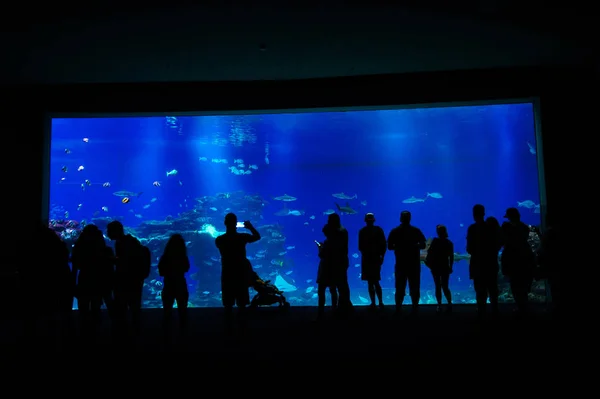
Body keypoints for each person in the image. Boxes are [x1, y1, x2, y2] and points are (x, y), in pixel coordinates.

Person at [215, 213, 261, 323]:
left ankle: (228, 330)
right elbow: (257, 236)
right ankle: (242, 330)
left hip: (227, 274)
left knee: (228, 306)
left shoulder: (219, 240)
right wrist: (250, 227)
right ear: (236, 224)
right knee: (242, 305)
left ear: (225, 223)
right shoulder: (242, 237)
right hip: (240, 274)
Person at [106, 220, 146, 337]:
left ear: (116, 231)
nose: (107, 233)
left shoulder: (127, 243)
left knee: (129, 308)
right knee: (129, 309)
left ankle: (130, 335)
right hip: (128, 281)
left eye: (109, 231)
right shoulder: (122, 242)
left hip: (129, 282)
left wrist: (110, 259)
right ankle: (129, 333)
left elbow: (126, 262)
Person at [387, 211, 427, 314]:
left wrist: (400, 247)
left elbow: (390, 246)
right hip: (413, 264)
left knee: (400, 287)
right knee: (414, 287)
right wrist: (414, 246)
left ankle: (398, 308)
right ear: (410, 219)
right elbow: (423, 245)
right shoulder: (416, 231)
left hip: (401, 264)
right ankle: (414, 308)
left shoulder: (395, 231)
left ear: (400, 218)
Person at [501, 207, 535, 316]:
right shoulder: (524, 227)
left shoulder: (507, 228)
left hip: (513, 260)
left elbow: (504, 241)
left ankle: (521, 308)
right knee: (523, 285)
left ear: (510, 217)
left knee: (515, 285)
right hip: (524, 258)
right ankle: (525, 308)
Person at [158, 233, 191, 333]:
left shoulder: (165, 257)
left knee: (167, 311)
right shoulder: (183, 257)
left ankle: (166, 334)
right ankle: (183, 332)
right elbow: (187, 268)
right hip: (181, 284)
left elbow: (161, 271)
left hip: (168, 285)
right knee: (182, 310)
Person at [358, 213, 387, 309]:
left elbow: (360, 247)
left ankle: (374, 303)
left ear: (365, 220)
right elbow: (383, 245)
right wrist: (381, 256)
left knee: (371, 282)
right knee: (375, 281)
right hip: (375, 258)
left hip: (367, 259)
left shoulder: (362, 231)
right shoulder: (378, 230)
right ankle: (380, 303)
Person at [425, 224, 454, 312]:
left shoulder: (435, 241)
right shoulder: (449, 242)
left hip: (436, 266)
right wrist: (450, 267)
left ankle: (440, 304)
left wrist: (429, 263)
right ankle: (448, 303)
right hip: (444, 266)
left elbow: (429, 252)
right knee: (445, 286)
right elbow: (451, 257)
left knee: (438, 286)